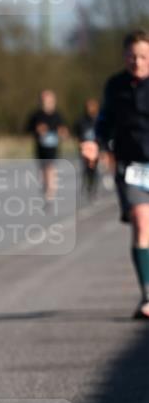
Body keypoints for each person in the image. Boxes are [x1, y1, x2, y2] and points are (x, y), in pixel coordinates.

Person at [81, 30, 149, 319]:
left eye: (144, 56)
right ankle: (147, 295)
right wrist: (95, 144)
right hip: (131, 167)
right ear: (124, 57)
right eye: (132, 56)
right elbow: (104, 122)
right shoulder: (115, 86)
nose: (137, 61)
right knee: (141, 221)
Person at [25, 89, 68, 204]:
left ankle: (50, 194)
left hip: (53, 149)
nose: (46, 103)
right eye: (44, 100)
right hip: (40, 149)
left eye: (49, 100)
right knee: (43, 172)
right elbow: (27, 129)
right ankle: (46, 188)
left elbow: (64, 132)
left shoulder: (57, 115)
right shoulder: (36, 116)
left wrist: (62, 132)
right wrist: (37, 130)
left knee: (50, 169)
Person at [73, 98, 101, 201]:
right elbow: (76, 134)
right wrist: (79, 145)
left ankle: (93, 189)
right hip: (85, 148)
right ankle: (86, 186)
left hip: (96, 148)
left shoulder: (100, 120)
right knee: (85, 169)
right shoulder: (81, 121)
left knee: (94, 169)